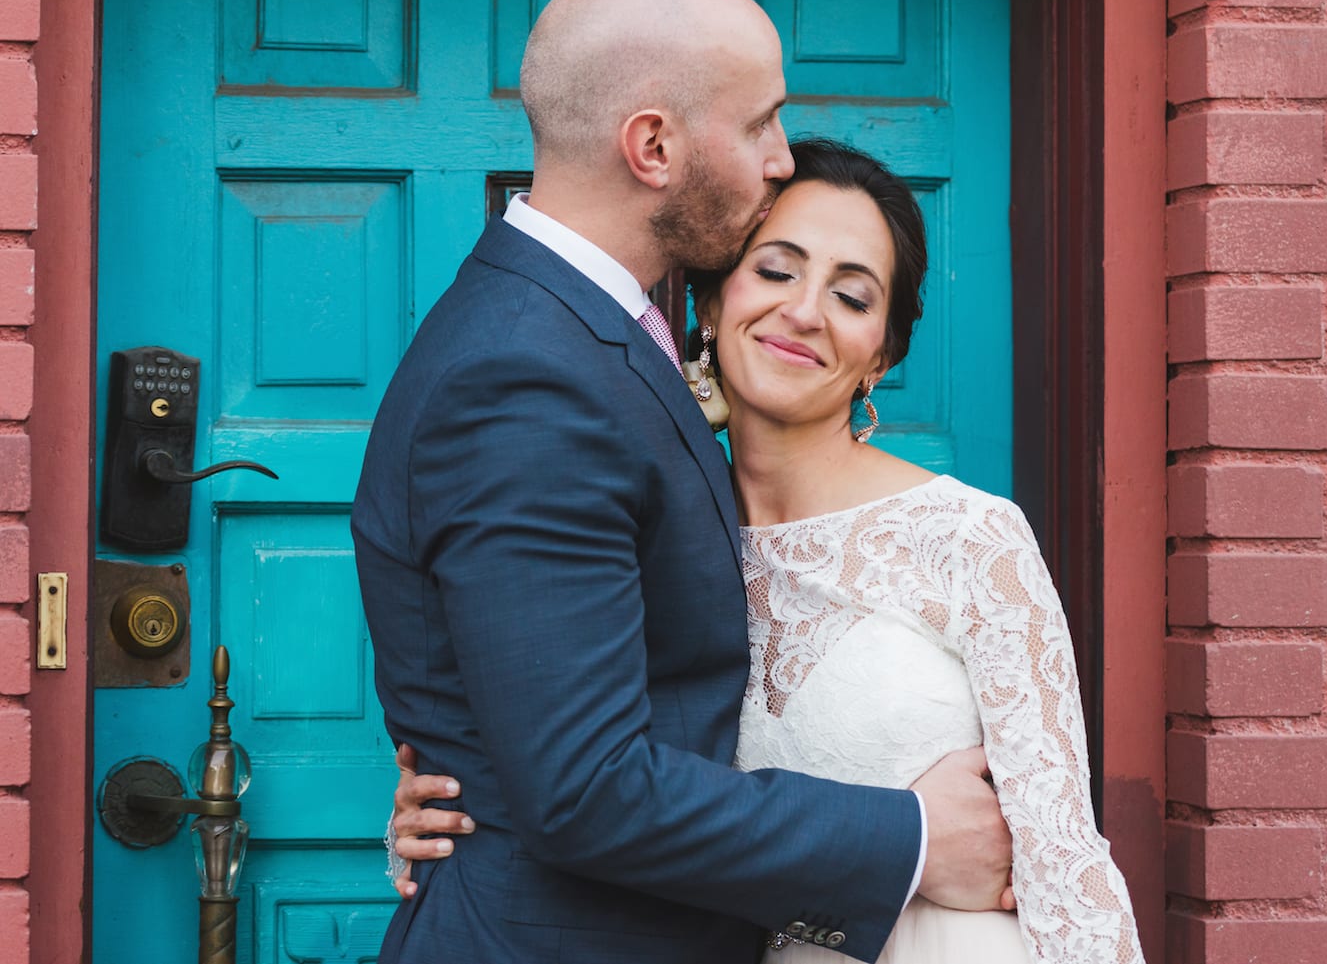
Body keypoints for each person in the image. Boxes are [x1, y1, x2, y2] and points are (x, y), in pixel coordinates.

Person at [351, 0, 1014, 964]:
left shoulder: (579, 337)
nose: (782, 159)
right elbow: (582, 787)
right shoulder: (529, 378)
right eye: (760, 125)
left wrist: (479, 767)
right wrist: (911, 839)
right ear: (653, 145)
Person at [390, 140, 1145, 964]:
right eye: (776, 270)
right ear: (710, 303)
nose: (806, 311)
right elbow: (576, 762)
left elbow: (1065, 862)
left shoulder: (969, 537)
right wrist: (446, 809)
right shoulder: (634, 533)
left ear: (879, 358)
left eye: (852, 296)